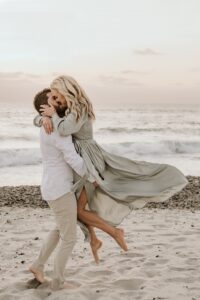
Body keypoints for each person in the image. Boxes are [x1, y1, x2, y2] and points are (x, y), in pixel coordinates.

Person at [34, 75, 188, 254]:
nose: (54, 100)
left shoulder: (80, 109)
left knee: (79, 209)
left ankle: (112, 233)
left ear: (65, 91)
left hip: (88, 159)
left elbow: (63, 129)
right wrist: (42, 119)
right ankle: (97, 239)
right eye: (52, 97)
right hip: (80, 158)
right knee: (79, 207)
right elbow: (41, 119)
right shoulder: (68, 107)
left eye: (55, 95)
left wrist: (50, 116)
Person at [29, 89, 94, 290]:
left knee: (60, 228)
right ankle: (58, 282)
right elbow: (71, 158)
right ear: (45, 108)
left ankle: (37, 266)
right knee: (70, 237)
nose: (59, 100)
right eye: (53, 99)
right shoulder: (56, 128)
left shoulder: (50, 124)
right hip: (59, 189)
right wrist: (92, 175)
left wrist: (42, 118)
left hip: (52, 186)